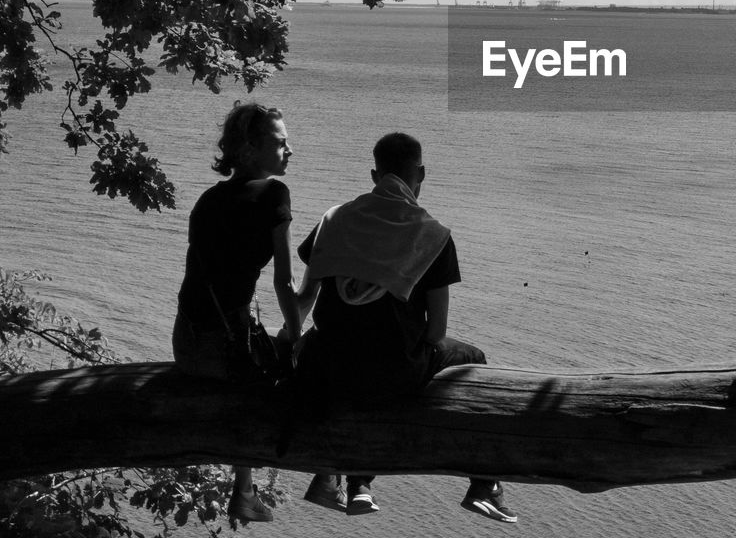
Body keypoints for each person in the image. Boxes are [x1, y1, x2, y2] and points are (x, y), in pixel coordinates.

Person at [294, 132, 517, 523]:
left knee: (351, 352)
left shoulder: (334, 219)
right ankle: (484, 484)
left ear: (373, 174)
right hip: (393, 373)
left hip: (325, 365)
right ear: (422, 175)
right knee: (473, 357)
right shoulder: (433, 236)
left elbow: (305, 298)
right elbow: (435, 332)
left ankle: (343, 478)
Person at [172, 101, 303, 524]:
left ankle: (244, 490)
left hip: (186, 342)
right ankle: (325, 478)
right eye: (280, 143)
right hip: (221, 350)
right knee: (293, 377)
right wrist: (297, 335)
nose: (289, 151)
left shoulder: (208, 199)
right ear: (249, 149)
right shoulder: (273, 194)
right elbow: (284, 283)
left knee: (253, 360)